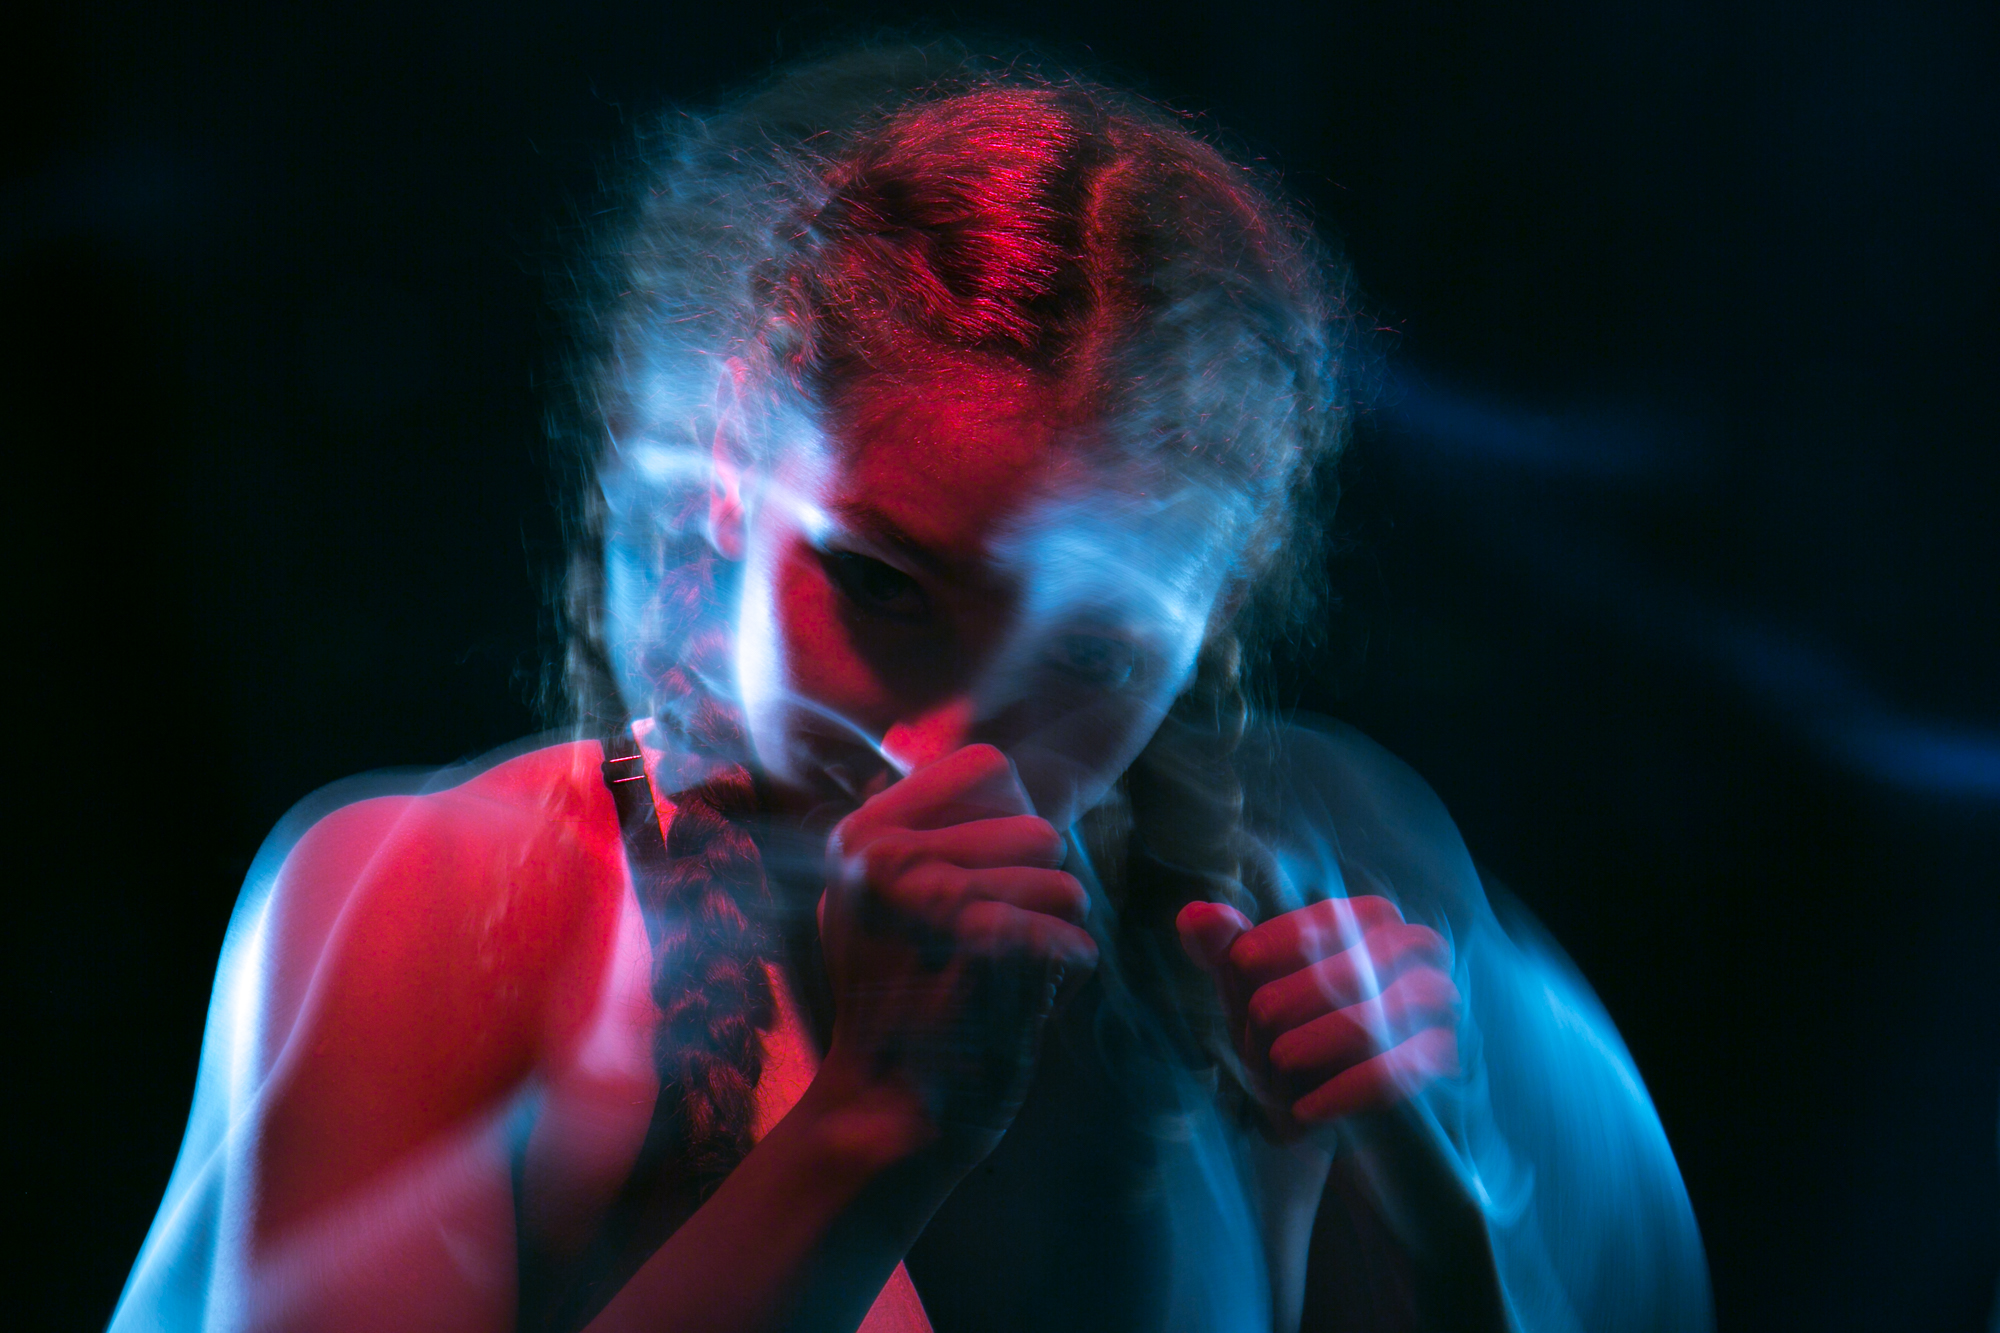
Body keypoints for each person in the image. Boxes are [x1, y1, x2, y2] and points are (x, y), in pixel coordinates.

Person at [110, 48, 1711, 1333]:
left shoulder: (1283, 899)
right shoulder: (441, 905)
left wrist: (1438, 1201)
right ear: (730, 472)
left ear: (1206, 628)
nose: (944, 744)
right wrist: (873, 1125)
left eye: (1096, 660)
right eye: (880, 584)